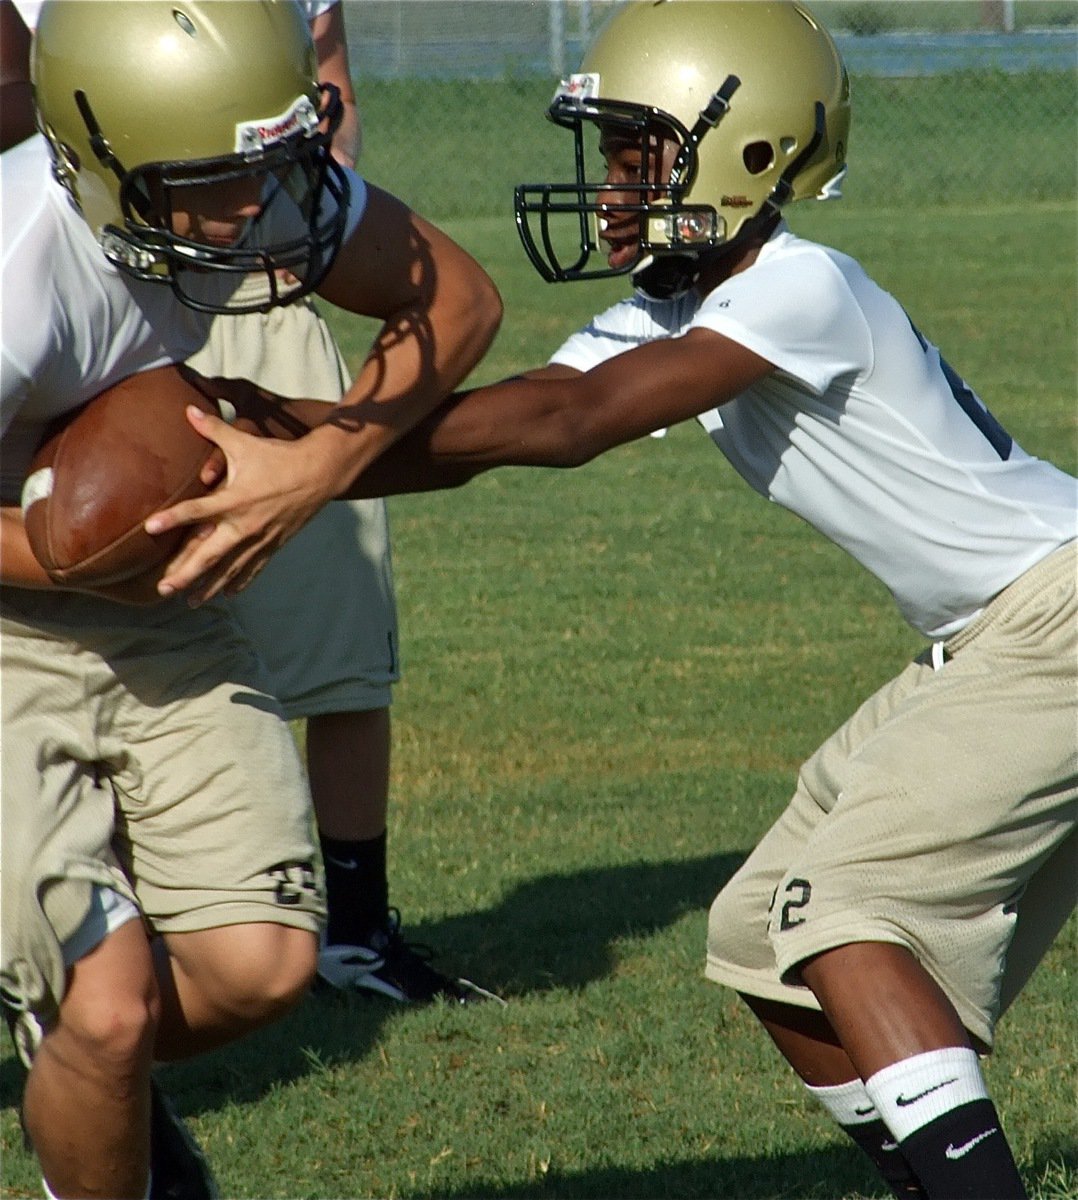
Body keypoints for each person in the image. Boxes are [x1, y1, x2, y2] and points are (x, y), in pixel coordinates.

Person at [154, 3, 1077, 1198]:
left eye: (638, 154)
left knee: (844, 911)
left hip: (1051, 620)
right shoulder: (679, 303)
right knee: (760, 939)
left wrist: (316, 459)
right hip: (992, 634)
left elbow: (567, 424)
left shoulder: (800, 287)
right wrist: (301, 437)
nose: (610, 187)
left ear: (744, 153)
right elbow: (495, 420)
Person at [0, 4, 500, 1200]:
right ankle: (87, 1050)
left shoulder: (240, 176)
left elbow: (460, 300)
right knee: (109, 1007)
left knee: (260, 968)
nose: (255, 213)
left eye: (264, 170)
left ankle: (77, 1061)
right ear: (102, 159)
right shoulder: (18, 267)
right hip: (12, 615)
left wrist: (313, 468)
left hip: (161, 605)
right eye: (214, 186)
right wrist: (81, 552)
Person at [184, 0, 497, 1004]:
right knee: (112, 646)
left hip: (264, 294)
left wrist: (313, 230)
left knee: (343, 653)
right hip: (111, 292)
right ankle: (116, 934)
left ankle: (352, 932)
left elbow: (332, 91)